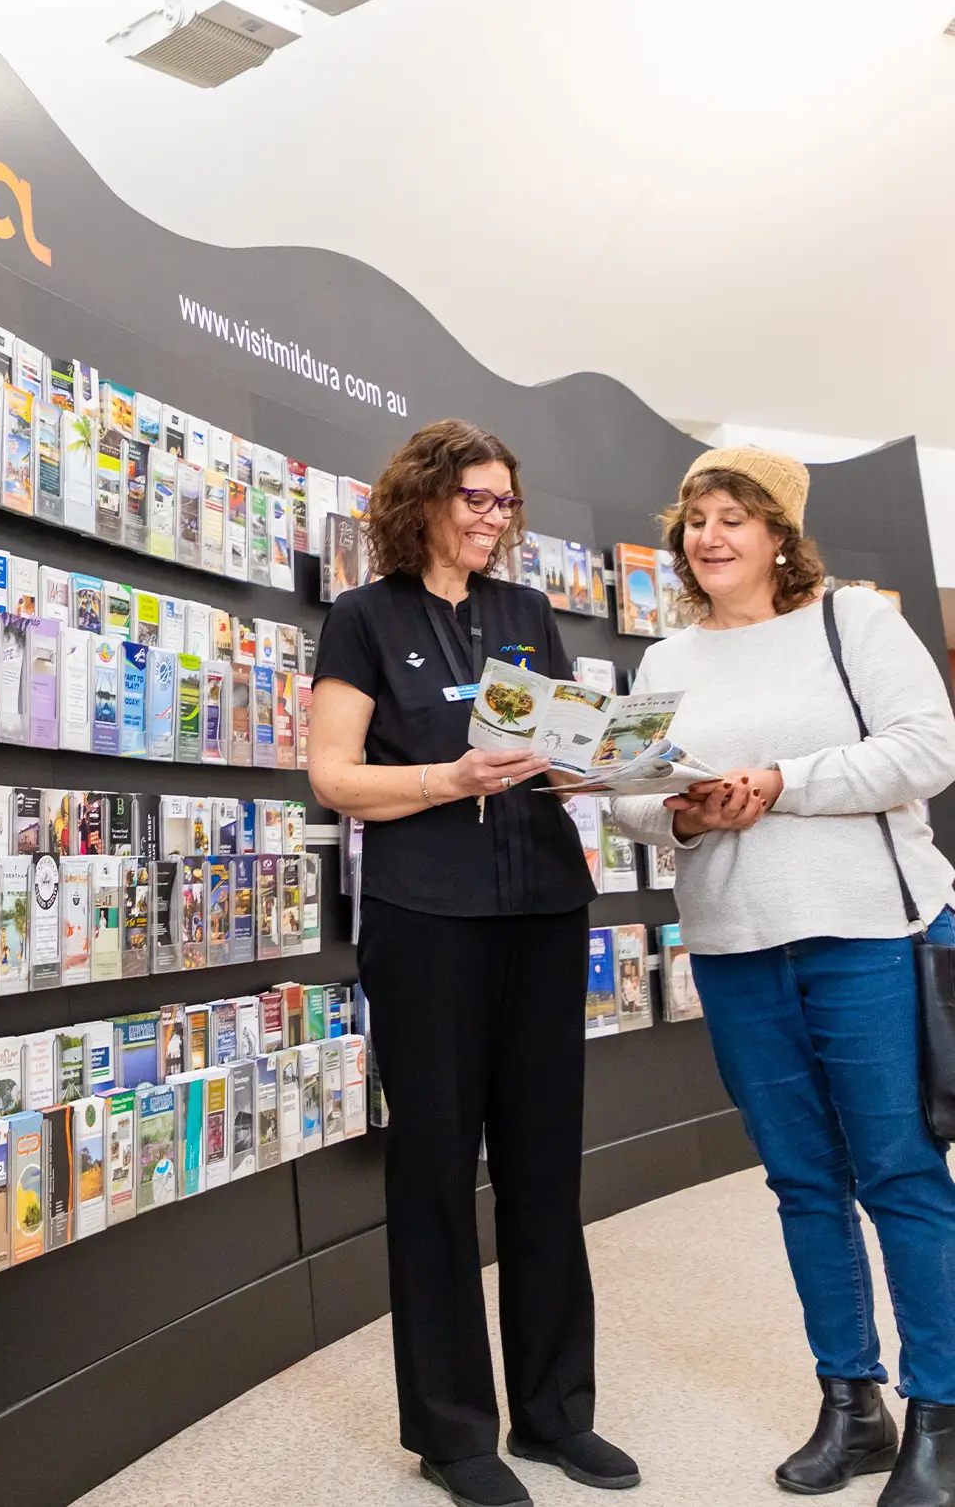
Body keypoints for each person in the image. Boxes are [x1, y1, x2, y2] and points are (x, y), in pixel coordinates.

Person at [609, 446, 955, 1507]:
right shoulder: (664, 657)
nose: (709, 537)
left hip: (865, 931)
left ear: (778, 533)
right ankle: (851, 1402)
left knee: (897, 1166)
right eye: (695, 521)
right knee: (802, 1177)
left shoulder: (854, 620)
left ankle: (939, 1413)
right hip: (733, 940)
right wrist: (681, 810)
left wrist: (781, 781)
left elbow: (927, 747)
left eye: (733, 518)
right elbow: (625, 792)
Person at [309, 419, 639, 1507]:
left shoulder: (525, 613)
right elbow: (335, 778)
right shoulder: (363, 617)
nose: (497, 519)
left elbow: (560, 757)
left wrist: (614, 765)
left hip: (543, 905)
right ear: (426, 499)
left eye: (507, 502)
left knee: (546, 1164)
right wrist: (448, 778)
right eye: (479, 500)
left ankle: (555, 1412)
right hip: (427, 916)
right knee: (439, 1170)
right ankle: (453, 1433)